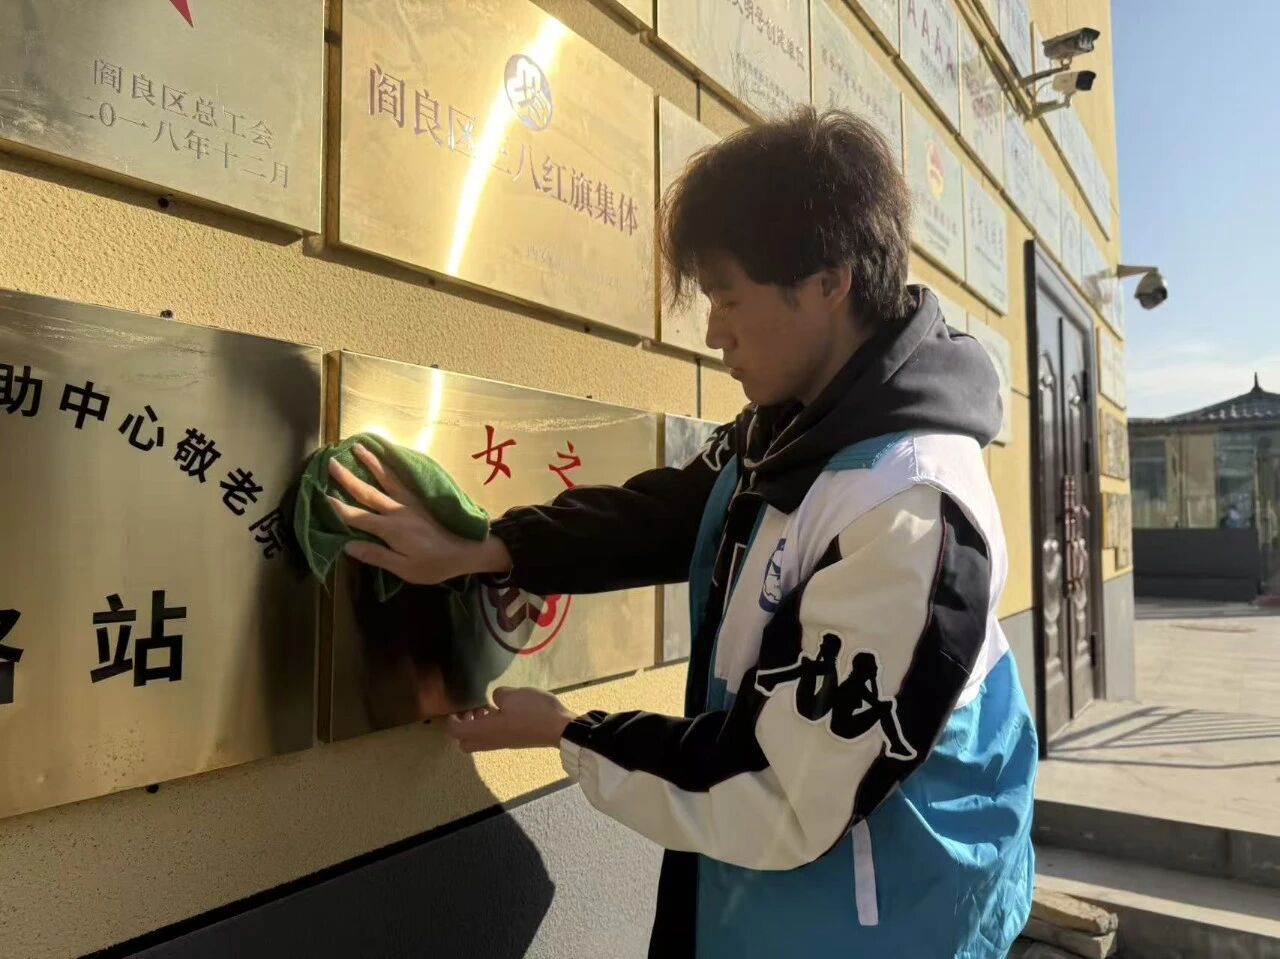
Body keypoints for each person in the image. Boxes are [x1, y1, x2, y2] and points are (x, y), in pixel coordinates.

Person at [326, 108, 1038, 958]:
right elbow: (669, 512)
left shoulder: (909, 508)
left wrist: (568, 732)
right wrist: (486, 546)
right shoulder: (793, 424)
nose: (712, 330)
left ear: (829, 282)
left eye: (728, 298)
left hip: (881, 919)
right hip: (755, 892)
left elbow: (780, 785)